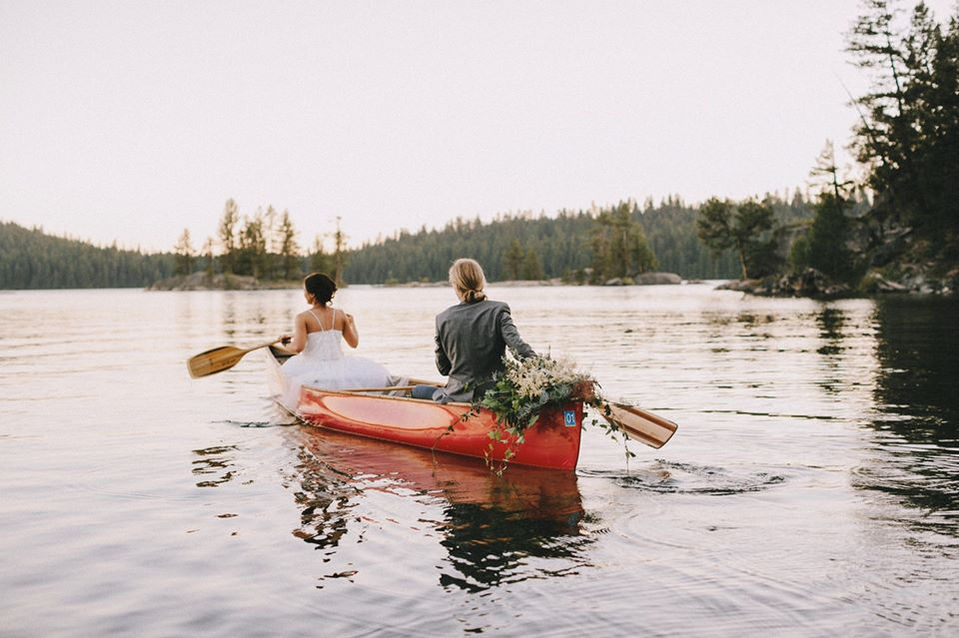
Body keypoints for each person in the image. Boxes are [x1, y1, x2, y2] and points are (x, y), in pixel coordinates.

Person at [412, 258, 536, 403]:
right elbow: (518, 349)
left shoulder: (442, 319)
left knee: (417, 390)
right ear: (481, 282)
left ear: (456, 286)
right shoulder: (499, 310)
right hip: (497, 393)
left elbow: (443, 369)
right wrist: (546, 370)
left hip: (457, 396)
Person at [277, 272, 390, 398]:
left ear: (312, 294)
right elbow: (354, 343)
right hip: (340, 365)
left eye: (305, 290)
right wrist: (352, 324)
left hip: (312, 368)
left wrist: (285, 343)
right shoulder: (340, 314)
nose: (304, 294)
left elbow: (298, 348)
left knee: (285, 373)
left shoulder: (302, 318)